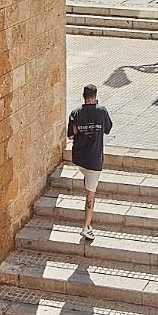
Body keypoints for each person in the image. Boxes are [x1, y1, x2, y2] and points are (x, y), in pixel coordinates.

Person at [66, 83, 114, 241]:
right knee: (90, 196)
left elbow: (71, 136)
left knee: (88, 180)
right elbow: (107, 129)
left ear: (83, 96)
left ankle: (86, 180)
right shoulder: (101, 111)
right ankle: (86, 227)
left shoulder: (75, 113)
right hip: (94, 161)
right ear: (95, 96)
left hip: (79, 159)